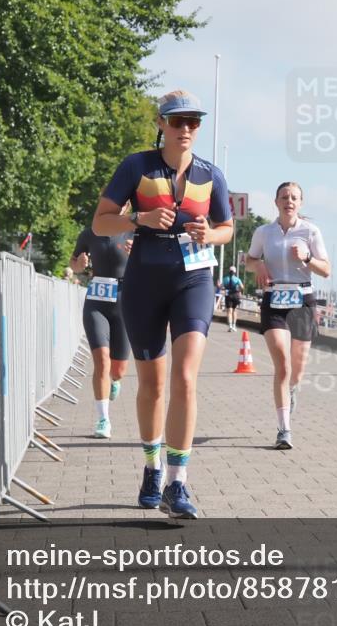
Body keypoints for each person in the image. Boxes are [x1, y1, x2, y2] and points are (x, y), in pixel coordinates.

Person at [91, 89, 233, 519]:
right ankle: (151, 467)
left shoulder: (211, 174)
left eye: (193, 122)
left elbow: (227, 227)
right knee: (152, 384)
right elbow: (100, 221)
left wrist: (211, 235)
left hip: (193, 279)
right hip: (144, 280)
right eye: (177, 121)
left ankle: (178, 482)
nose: (186, 129)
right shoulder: (136, 166)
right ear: (161, 124)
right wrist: (140, 218)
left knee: (186, 378)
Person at [245, 182, 330, 450]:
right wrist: (257, 263)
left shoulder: (310, 232)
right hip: (274, 299)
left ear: (300, 203)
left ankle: (292, 390)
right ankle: (284, 430)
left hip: (302, 299)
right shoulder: (263, 232)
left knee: (297, 368)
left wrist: (307, 258)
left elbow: (326, 270)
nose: (289, 201)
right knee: (282, 363)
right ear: (276, 202)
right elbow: (248, 260)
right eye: (284, 197)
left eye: (294, 198)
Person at [69, 224, 135, 439]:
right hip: (96, 302)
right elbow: (74, 264)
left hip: (125, 303)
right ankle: (103, 419)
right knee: (102, 361)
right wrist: (79, 264)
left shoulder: (136, 231)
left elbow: (151, 265)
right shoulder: (90, 232)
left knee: (118, 370)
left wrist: (138, 256)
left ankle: (114, 381)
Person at [221, 266, 244, 331]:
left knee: (229, 311)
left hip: (228, 295)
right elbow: (242, 287)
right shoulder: (237, 279)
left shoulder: (225, 279)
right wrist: (238, 290)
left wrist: (223, 288)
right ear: (235, 272)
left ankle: (230, 326)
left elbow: (221, 287)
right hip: (236, 295)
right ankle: (234, 325)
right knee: (235, 310)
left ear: (229, 271)